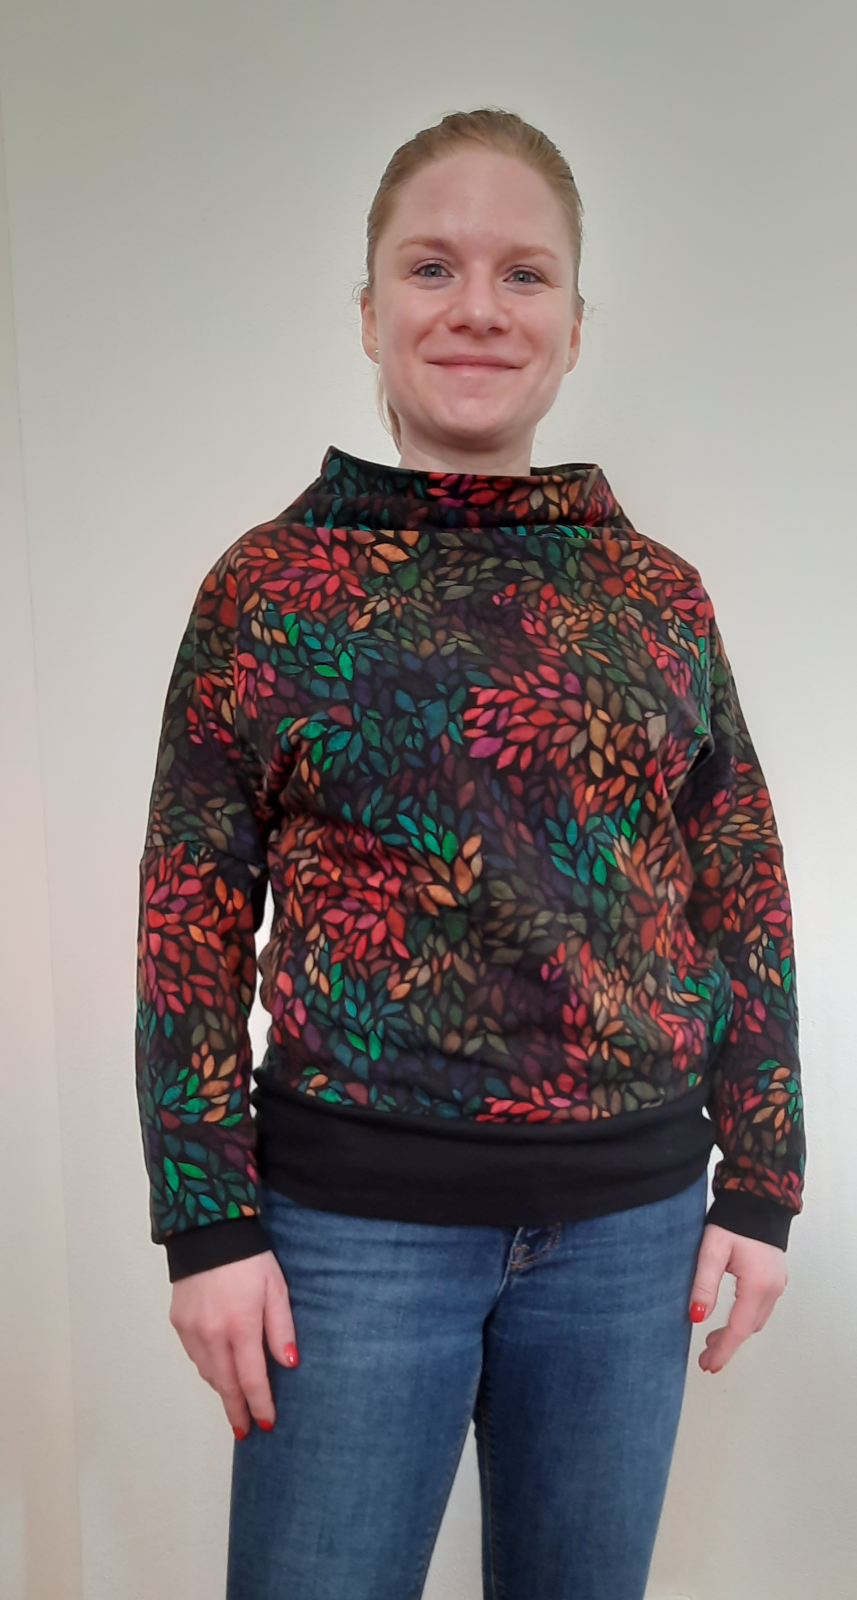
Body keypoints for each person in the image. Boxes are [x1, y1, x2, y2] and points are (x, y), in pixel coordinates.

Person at [135, 108, 805, 1600]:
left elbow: (741, 887)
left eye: (525, 273)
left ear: (574, 325)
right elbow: (189, 918)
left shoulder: (658, 598)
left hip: (631, 1231)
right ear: (370, 310)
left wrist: (762, 1181)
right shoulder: (266, 592)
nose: (479, 308)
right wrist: (205, 1222)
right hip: (348, 1230)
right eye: (432, 267)